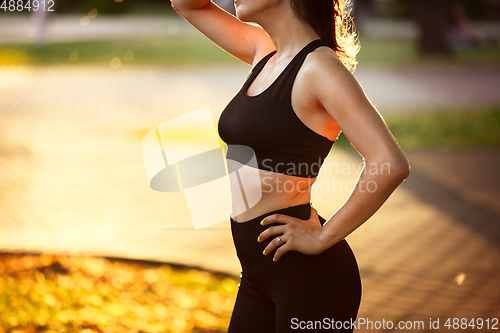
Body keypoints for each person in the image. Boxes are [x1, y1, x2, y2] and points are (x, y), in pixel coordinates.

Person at [170, 0, 411, 332]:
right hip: (257, 273)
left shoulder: (319, 68)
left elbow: (389, 163)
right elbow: (187, 5)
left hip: (308, 277)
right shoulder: (264, 50)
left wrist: (323, 236)